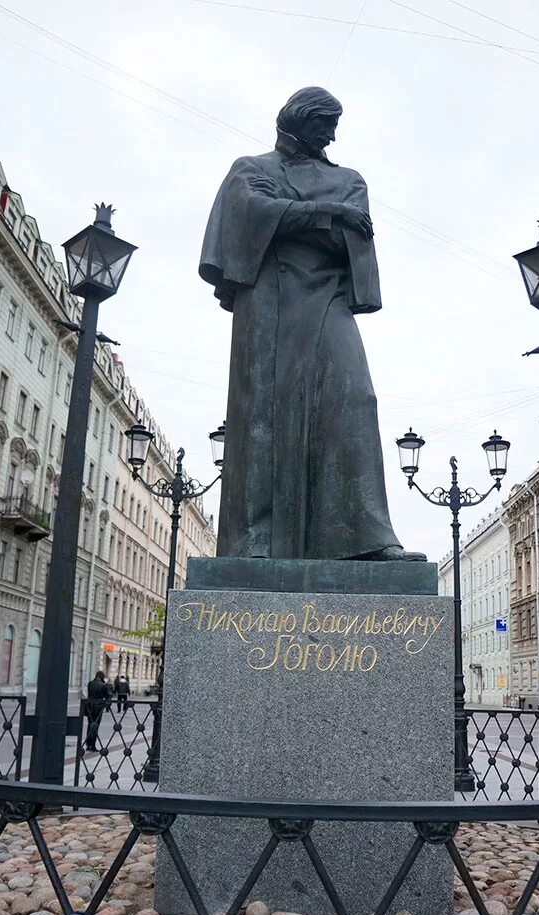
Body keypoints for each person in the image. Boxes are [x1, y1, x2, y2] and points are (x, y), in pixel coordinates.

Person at [200, 86, 426, 562]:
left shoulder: (349, 178)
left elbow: (354, 238)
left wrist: (292, 221)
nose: (333, 136)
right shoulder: (251, 168)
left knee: (354, 399)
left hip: (327, 298)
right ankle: (253, 544)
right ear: (301, 120)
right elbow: (247, 217)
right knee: (259, 416)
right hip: (264, 305)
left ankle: (366, 538)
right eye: (325, 126)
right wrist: (325, 213)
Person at [86, 670, 110, 751]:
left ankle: (88, 744)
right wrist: (107, 705)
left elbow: (89, 694)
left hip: (89, 707)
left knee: (90, 725)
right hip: (98, 708)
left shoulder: (90, 683)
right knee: (96, 726)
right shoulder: (103, 685)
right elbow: (108, 695)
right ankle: (93, 745)